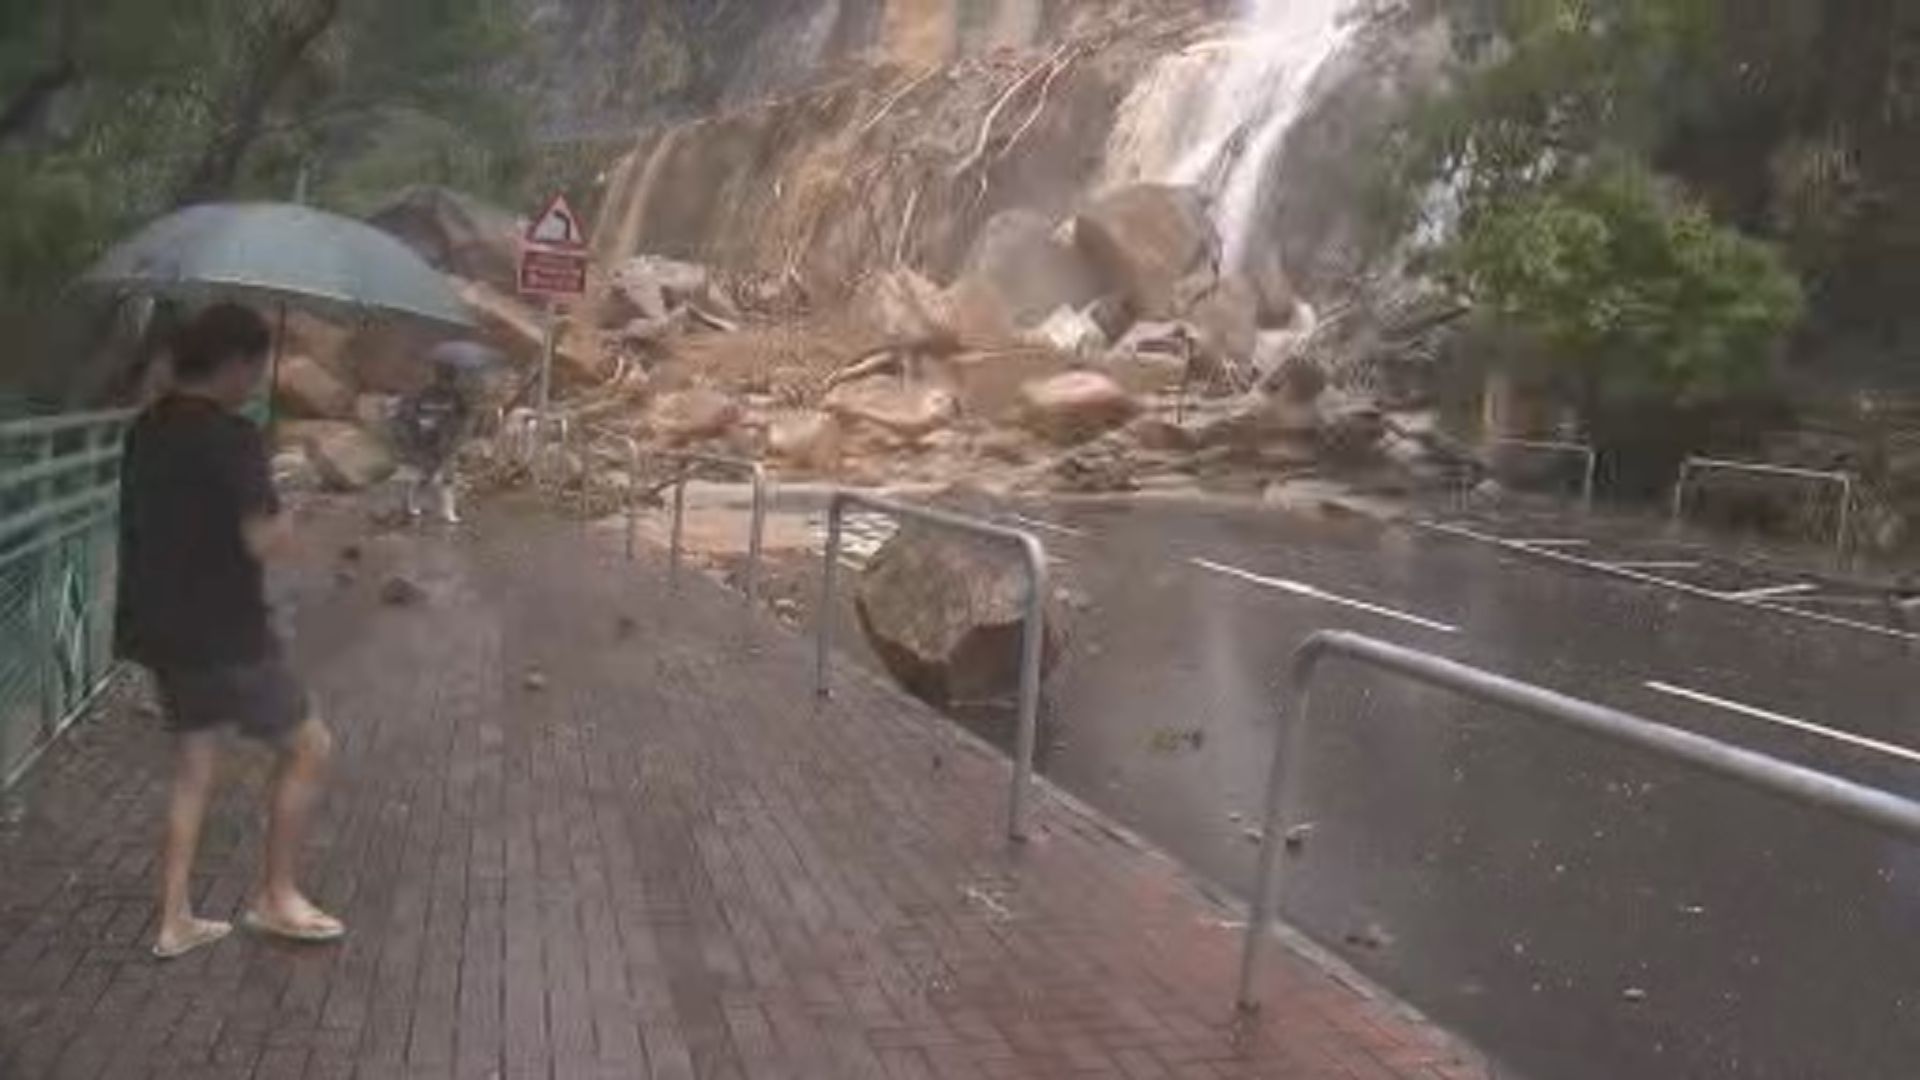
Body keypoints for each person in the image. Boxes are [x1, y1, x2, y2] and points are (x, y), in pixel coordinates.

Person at [115, 302, 343, 960]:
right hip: (226, 634)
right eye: (257, 365)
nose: (257, 378)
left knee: (193, 767)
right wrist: (302, 535)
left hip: (159, 629)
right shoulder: (234, 438)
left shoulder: (146, 429)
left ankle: (173, 919)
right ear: (237, 363)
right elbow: (262, 539)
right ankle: (278, 897)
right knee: (308, 748)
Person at [396, 360, 471, 524]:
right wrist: (422, 424)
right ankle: (412, 501)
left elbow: (464, 416)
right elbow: (412, 415)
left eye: (449, 381)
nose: (446, 385)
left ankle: (449, 511)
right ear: (438, 379)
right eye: (443, 380)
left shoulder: (457, 396)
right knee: (425, 475)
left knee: (448, 477)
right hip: (428, 442)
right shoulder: (426, 393)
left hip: (448, 441)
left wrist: (458, 432)